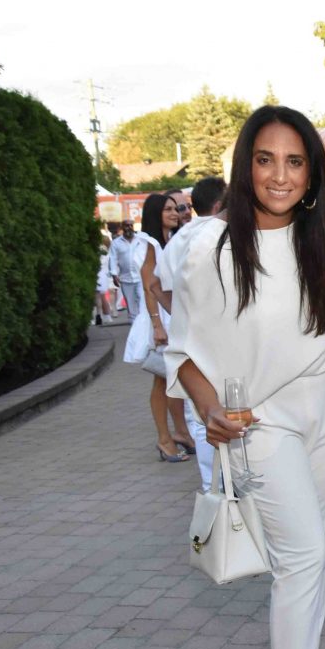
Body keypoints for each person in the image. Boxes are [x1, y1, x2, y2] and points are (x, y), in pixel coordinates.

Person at [166, 105, 325, 649]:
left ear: (312, 173)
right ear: (245, 167)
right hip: (258, 424)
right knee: (303, 558)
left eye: (295, 162)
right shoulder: (209, 246)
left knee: (312, 561)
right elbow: (182, 352)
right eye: (266, 159)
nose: (280, 175)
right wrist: (208, 408)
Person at [156, 175, 228, 491]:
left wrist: (181, 320)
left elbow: (156, 284)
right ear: (219, 203)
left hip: (194, 342)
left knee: (201, 415)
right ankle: (219, 487)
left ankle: (212, 486)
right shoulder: (218, 233)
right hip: (216, 341)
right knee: (215, 413)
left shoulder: (181, 237)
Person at [123, 193, 194, 462]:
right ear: (155, 213)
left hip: (168, 315)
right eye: (168, 210)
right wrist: (157, 325)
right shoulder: (150, 243)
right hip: (159, 318)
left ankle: (180, 433)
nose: (175, 213)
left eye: (176, 209)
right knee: (162, 379)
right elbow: (148, 285)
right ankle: (165, 439)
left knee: (172, 378)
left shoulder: (168, 241)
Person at [109, 219, 145, 321]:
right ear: (122, 228)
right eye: (126, 225)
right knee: (131, 304)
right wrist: (114, 274)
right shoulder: (116, 243)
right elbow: (113, 258)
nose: (129, 227)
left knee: (142, 301)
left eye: (131, 225)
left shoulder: (140, 240)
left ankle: (142, 324)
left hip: (140, 277)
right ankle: (134, 324)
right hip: (125, 278)